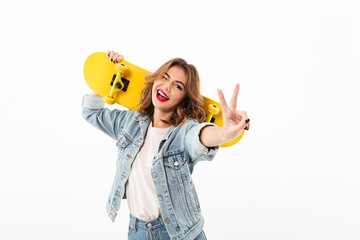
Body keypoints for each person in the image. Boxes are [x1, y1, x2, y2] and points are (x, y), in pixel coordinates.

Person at [82, 50, 250, 240]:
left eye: (178, 86)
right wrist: (106, 73)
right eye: (164, 77)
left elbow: (200, 136)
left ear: (184, 98)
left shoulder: (184, 131)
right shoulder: (128, 123)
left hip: (180, 233)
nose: (167, 87)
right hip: (138, 232)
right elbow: (91, 112)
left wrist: (224, 133)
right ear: (155, 80)